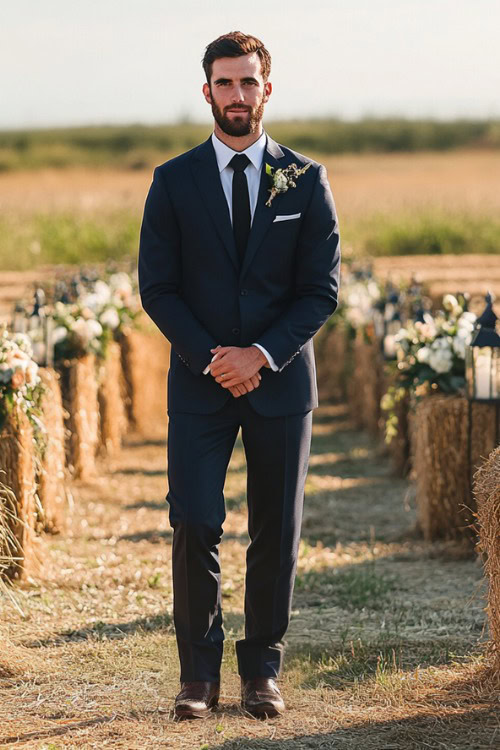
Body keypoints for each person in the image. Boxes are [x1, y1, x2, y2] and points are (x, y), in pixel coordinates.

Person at [138, 30, 340, 720]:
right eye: (224, 83)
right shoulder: (172, 181)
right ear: (207, 92)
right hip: (200, 383)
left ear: (267, 89)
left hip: (281, 383)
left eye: (248, 82)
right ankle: (198, 675)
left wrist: (261, 354)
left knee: (276, 530)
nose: (236, 95)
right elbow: (158, 288)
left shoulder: (306, 180)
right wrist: (211, 358)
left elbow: (321, 290)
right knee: (194, 520)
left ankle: (261, 673)